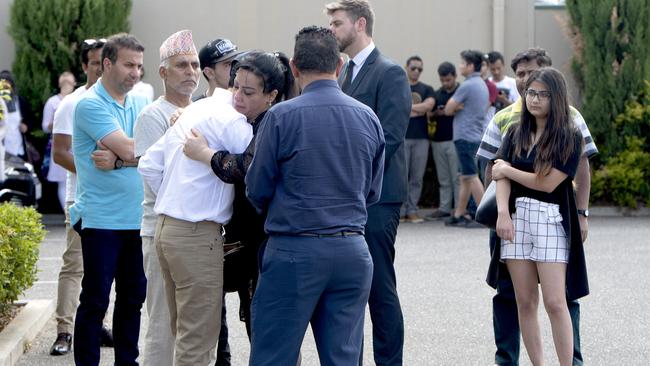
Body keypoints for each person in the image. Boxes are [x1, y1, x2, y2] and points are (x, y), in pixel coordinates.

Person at [245, 25, 384, 366]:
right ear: (339, 65)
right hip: (351, 248)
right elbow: (372, 192)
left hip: (295, 247)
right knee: (343, 358)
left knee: (273, 356)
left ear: (294, 67)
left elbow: (256, 188)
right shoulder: (368, 118)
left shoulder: (281, 116)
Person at [477, 47, 598, 366]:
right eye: (530, 92)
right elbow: (495, 174)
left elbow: (548, 182)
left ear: (555, 97)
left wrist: (508, 170)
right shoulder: (513, 128)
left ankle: (568, 363)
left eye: (542, 94)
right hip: (513, 222)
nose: (534, 98)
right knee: (523, 302)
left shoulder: (569, 134)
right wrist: (502, 212)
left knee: (557, 301)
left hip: (551, 220)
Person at [138, 67, 252, 366]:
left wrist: (175, 197)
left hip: (166, 229)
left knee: (183, 334)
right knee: (197, 344)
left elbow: (148, 165)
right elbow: (253, 168)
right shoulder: (233, 121)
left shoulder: (194, 110)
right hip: (195, 234)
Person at [181, 50, 296, 343]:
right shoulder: (240, 119)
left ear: (271, 95)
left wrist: (206, 154)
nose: (238, 97)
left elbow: (247, 168)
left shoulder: (273, 122)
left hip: (268, 241)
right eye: (235, 88)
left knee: (268, 330)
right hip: (245, 239)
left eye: (248, 91)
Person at [326, 1, 411, 364]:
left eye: (336, 23)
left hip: (377, 198)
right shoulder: (343, 74)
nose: (330, 30)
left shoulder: (389, 73)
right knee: (351, 291)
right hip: (349, 198)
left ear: (359, 24)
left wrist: (353, 183)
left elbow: (389, 139)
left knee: (379, 289)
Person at [70, 33, 148, 366]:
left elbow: (158, 150)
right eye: (129, 65)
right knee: (96, 300)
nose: (136, 73)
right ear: (107, 63)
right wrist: (132, 154)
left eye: (140, 66)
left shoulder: (142, 101)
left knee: (132, 300)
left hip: (137, 219)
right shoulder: (89, 104)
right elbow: (137, 148)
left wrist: (118, 161)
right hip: (101, 221)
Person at [133, 30, 201, 366]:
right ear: (163, 72)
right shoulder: (153, 116)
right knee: (162, 322)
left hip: (197, 232)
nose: (191, 72)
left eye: (195, 65)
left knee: (192, 325)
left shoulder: (202, 111)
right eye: (181, 65)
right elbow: (155, 180)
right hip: (161, 229)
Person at [49, 38, 114, 356]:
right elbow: (60, 154)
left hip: (113, 201)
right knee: (74, 265)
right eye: (94, 61)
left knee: (103, 269)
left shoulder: (119, 101)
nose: (100, 66)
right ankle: (64, 330)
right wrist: (94, 173)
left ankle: (96, 324)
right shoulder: (72, 104)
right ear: (86, 66)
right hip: (82, 197)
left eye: (106, 60)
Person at [444, 49, 489, 228]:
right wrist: (459, 106)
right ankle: (459, 214)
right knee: (465, 176)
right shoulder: (482, 84)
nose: (460, 66)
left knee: (471, 176)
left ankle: (485, 215)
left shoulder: (467, 85)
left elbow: (448, 109)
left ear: (471, 66)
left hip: (465, 136)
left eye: (462, 63)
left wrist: (457, 107)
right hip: (475, 134)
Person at [401, 55, 434, 224]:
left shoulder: (427, 88)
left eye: (419, 69)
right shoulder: (399, 85)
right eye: (413, 68)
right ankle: (401, 212)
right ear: (406, 67)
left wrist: (408, 108)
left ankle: (412, 210)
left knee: (417, 177)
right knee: (402, 177)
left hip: (421, 138)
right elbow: (397, 107)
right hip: (403, 138)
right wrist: (416, 110)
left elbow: (428, 106)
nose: (416, 72)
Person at [427, 61, 459, 220]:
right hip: (438, 140)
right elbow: (429, 114)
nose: (445, 83)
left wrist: (450, 110)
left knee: (457, 177)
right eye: (442, 80)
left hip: (455, 139)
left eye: (448, 80)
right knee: (443, 178)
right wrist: (436, 113)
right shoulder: (437, 94)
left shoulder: (461, 91)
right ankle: (445, 207)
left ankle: (459, 209)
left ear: (455, 76)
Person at [42, 71, 76, 209]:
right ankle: (67, 213)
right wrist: (57, 119)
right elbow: (45, 126)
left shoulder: (79, 98)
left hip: (78, 143)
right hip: (61, 144)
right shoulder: (52, 102)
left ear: (74, 83)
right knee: (63, 182)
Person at [0, 70, 34, 161]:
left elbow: (30, 119)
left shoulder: (20, 101)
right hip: (3, 149)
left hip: (18, 149)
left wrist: (26, 127)